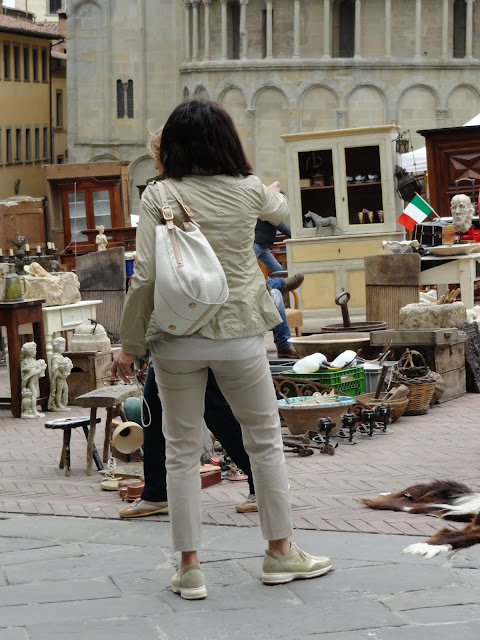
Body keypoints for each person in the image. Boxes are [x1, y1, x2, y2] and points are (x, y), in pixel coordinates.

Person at [112, 98, 332, 600]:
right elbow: (284, 211)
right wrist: (264, 191)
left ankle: (189, 567)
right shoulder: (248, 190)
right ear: (226, 141)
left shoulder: (158, 196)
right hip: (238, 335)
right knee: (264, 441)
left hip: (175, 338)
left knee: (183, 452)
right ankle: (280, 553)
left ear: (171, 146)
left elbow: (143, 277)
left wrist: (129, 343)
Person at [120, 364, 257, 518]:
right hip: (179, 345)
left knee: (215, 409)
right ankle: (157, 493)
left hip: (184, 344)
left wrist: (130, 350)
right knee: (157, 406)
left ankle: (262, 481)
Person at [21, 341, 47, 419]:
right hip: (31, 384)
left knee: (34, 396)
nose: (35, 352)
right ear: (29, 352)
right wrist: (41, 368)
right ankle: (34, 410)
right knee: (34, 396)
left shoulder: (32, 360)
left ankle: (32, 410)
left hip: (34, 383)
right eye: (34, 350)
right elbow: (33, 372)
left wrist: (41, 365)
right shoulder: (26, 361)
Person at [48, 337, 73, 412]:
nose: (63, 348)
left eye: (64, 346)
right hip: (59, 378)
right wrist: (61, 374)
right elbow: (54, 369)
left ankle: (63, 403)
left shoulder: (60, 356)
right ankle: (58, 403)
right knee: (59, 391)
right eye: (61, 346)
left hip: (63, 377)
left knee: (65, 389)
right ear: (55, 347)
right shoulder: (55, 357)